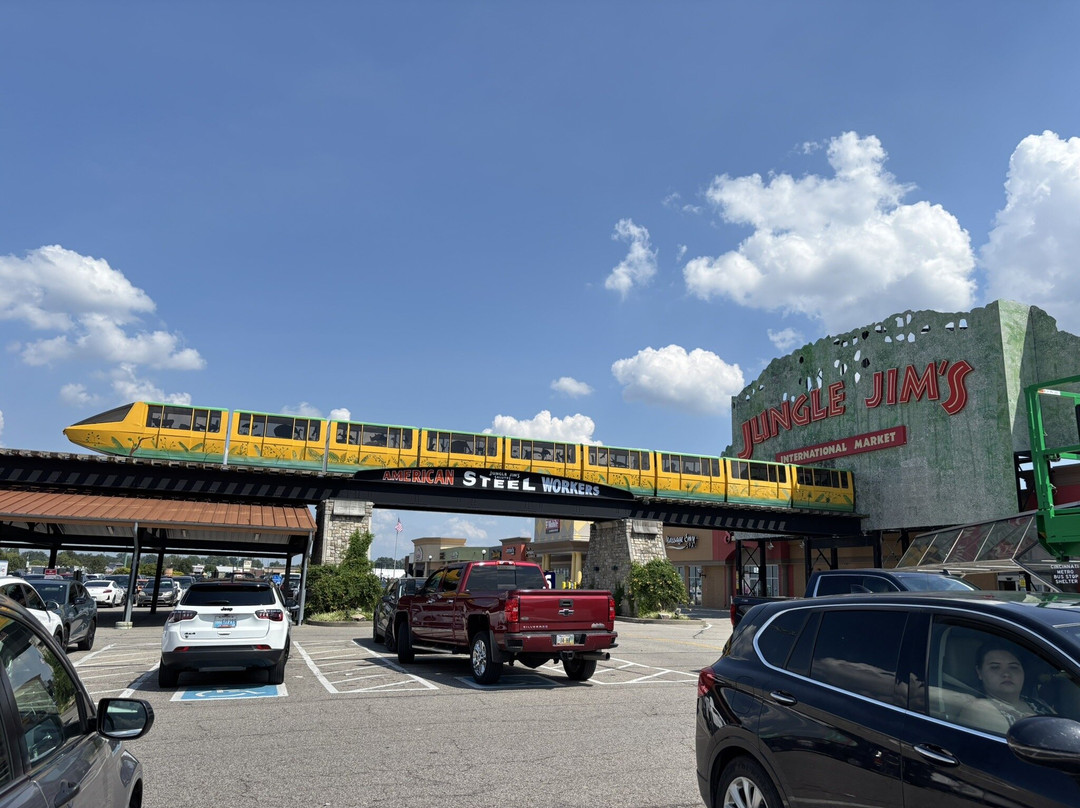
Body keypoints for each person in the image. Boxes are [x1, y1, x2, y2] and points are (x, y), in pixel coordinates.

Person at [957, 641, 1046, 732]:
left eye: (1013, 667)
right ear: (979, 672)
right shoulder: (980, 709)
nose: (1006, 674)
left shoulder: (1037, 703)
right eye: (995, 667)